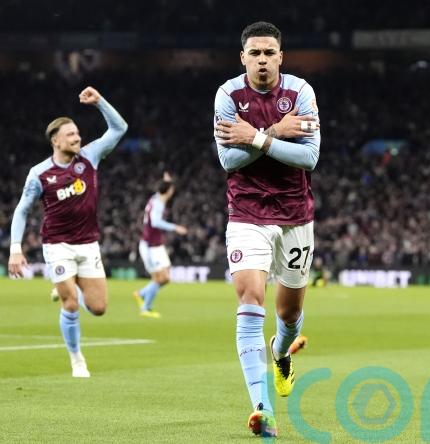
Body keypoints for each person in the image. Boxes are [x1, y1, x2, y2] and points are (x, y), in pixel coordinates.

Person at [213, 21, 321, 437]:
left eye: (269, 53)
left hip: (295, 214)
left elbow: (309, 157)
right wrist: (275, 133)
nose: (262, 60)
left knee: (288, 315)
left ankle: (281, 352)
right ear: (243, 57)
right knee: (251, 298)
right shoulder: (228, 96)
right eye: (255, 53)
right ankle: (263, 409)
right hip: (247, 213)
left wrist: (255, 137)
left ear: (281, 57)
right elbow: (228, 161)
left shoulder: (301, 92)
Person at [8, 86, 128, 378]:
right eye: (71, 134)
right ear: (56, 140)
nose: (77, 138)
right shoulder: (39, 174)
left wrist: (100, 102)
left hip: (88, 244)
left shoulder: (89, 157)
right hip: (57, 244)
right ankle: (77, 359)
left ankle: (67, 285)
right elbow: (22, 210)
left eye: (78, 133)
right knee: (71, 303)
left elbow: (119, 128)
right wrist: (15, 248)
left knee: (98, 308)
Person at [133, 171, 188, 318]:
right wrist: (175, 227)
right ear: (168, 191)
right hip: (149, 247)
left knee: (166, 277)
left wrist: (166, 181)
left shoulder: (156, 198)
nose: (173, 191)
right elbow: (156, 222)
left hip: (157, 245)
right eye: (171, 188)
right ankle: (145, 308)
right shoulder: (158, 204)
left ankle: (141, 294)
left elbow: (159, 191)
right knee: (160, 278)